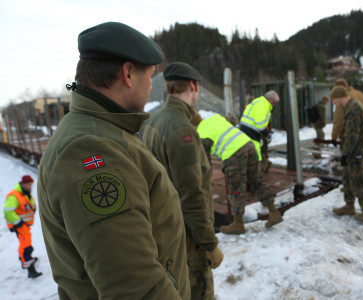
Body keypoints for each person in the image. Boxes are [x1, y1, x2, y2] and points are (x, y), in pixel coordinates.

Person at [37, 22, 190, 299]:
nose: (150, 87)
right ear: (129, 73)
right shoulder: (91, 149)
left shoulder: (102, 129)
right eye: (150, 77)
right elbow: (137, 288)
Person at [141, 62, 223, 300]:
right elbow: (191, 194)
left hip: (165, 233)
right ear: (193, 86)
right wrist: (209, 244)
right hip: (188, 241)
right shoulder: (182, 131)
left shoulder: (153, 121)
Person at [197, 113, 283, 234]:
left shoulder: (200, 134)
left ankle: (238, 224)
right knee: (257, 180)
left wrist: (205, 180)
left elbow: (205, 164)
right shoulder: (215, 118)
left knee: (236, 188)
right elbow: (232, 120)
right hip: (248, 144)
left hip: (233, 153)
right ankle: (274, 212)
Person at [330, 87, 363, 225]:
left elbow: (352, 135)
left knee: (358, 182)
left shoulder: (354, 109)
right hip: (352, 153)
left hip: (357, 153)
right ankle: (349, 206)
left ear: (340, 96)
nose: (334, 103)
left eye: (334, 100)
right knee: (347, 179)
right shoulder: (349, 107)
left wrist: (346, 153)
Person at [4, 175, 42, 278]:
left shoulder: (25, 193)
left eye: (31, 185)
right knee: (27, 247)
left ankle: (23, 259)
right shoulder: (14, 196)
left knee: (23, 243)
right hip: (20, 226)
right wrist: (18, 223)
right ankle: (31, 270)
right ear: (23, 184)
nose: (30, 187)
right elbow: (8, 211)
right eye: (28, 185)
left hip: (24, 225)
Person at [238, 91, 280, 162]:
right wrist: (267, 134)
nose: (274, 105)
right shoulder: (263, 105)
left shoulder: (257, 101)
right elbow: (259, 123)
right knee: (256, 160)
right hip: (252, 134)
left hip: (244, 132)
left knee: (245, 157)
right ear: (270, 99)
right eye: (274, 102)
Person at [331, 78, 363, 143]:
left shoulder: (342, 98)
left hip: (349, 135)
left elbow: (339, 119)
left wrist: (334, 137)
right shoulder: (361, 94)